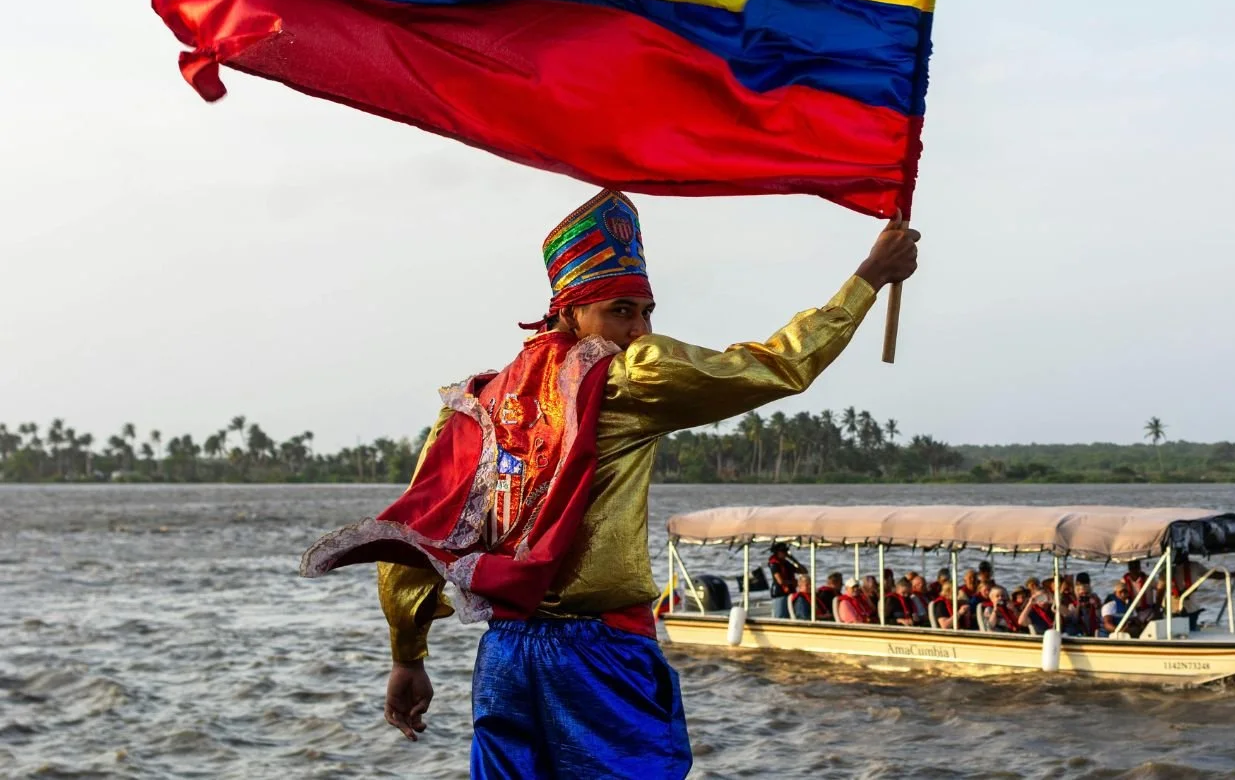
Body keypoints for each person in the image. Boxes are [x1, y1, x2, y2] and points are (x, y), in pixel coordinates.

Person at [299, 189, 920, 778]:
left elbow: (415, 532)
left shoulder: (478, 404)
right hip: (599, 655)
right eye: (621, 310)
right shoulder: (627, 380)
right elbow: (776, 365)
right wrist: (867, 278)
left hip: (506, 660)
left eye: (647, 312)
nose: (639, 331)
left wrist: (408, 654)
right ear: (569, 313)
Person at [767, 542, 807, 619]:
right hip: (780, 593)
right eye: (783, 552)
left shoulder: (786, 563)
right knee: (781, 616)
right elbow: (780, 581)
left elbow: (804, 571)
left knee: (790, 615)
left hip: (790, 592)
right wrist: (793, 582)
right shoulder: (774, 564)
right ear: (777, 552)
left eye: (786, 552)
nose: (785, 553)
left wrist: (794, 560)